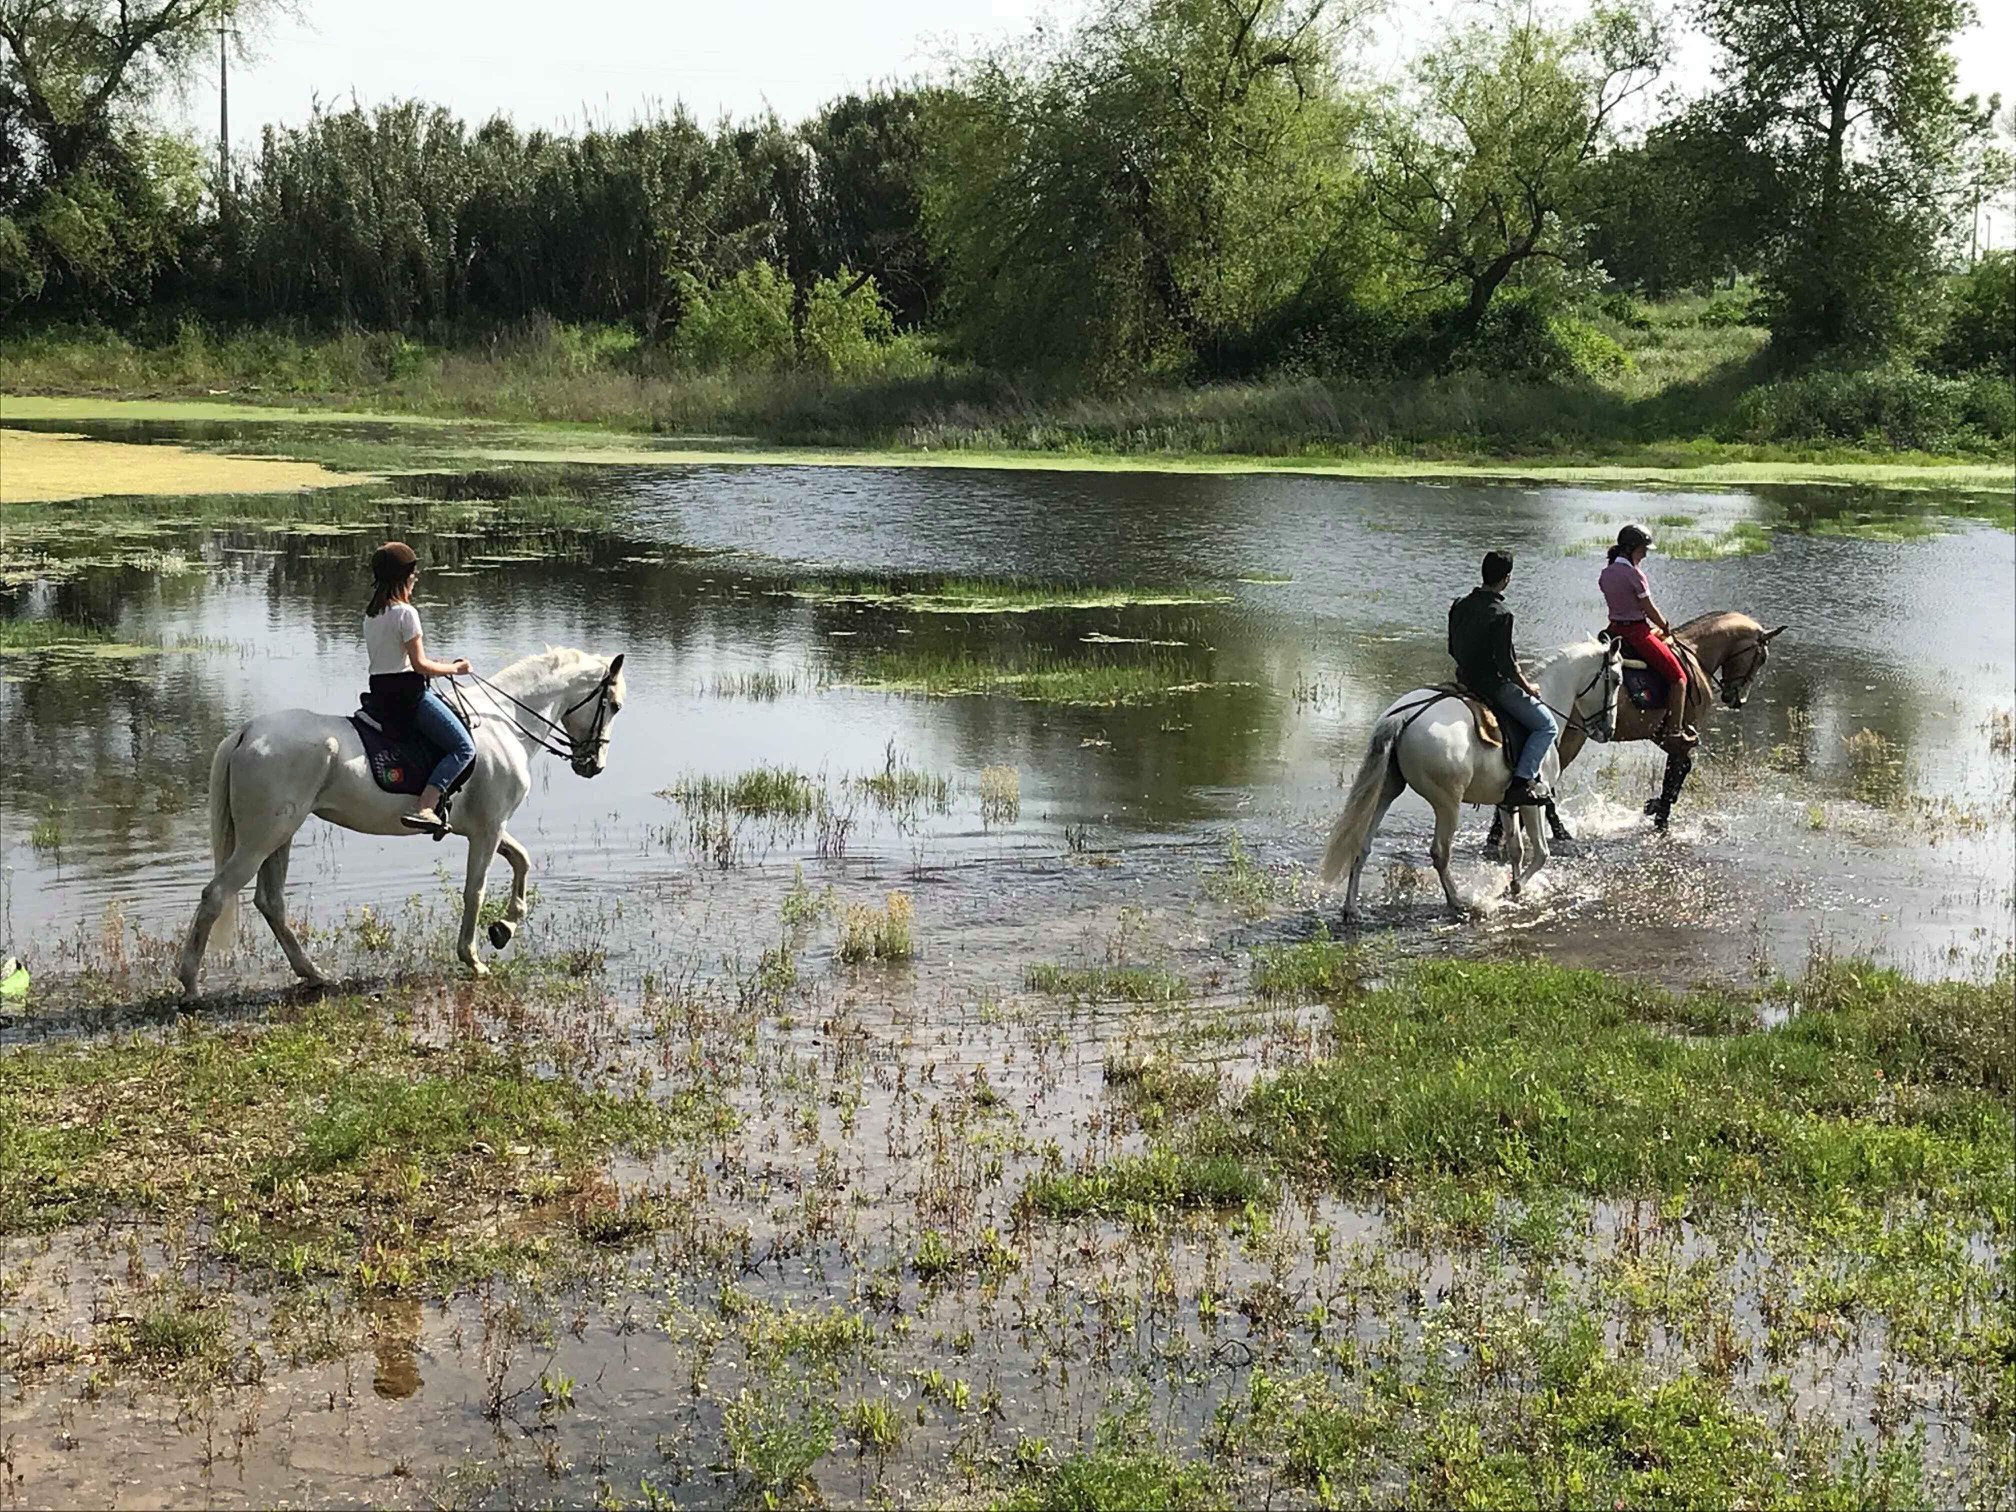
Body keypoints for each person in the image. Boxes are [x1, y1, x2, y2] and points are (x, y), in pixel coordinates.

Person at [365, 541, 476, 834]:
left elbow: (395, 659)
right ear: (403, 576)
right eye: (413, 573)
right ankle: (426, 806)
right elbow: (420, 666)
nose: (416, 578)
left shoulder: (372, 614)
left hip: (381, 693)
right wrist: (457, 669)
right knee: (463, 747)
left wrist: (438, 664)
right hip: (408, 697)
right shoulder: (406, 613)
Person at [1448, 550, 1555, 806]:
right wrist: (1528, 687)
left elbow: (1452, 648)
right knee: (1546, 726)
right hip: (1492, 687)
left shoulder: (1459, 604)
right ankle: (1521, 783)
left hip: (1463, 681)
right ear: (1506, 578)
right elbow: (1507, 666)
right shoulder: (1502, 614)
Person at [1599, 523, 1696, 748]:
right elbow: (1648, 608)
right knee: (1678, 677)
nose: (1644, 554)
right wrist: (1665, 626)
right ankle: (1674, 731)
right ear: (1630, 548)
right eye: (1642, 549)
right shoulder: (1635, 574)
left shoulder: (1606, 574)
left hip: (1612, 630)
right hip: (1636, 633)